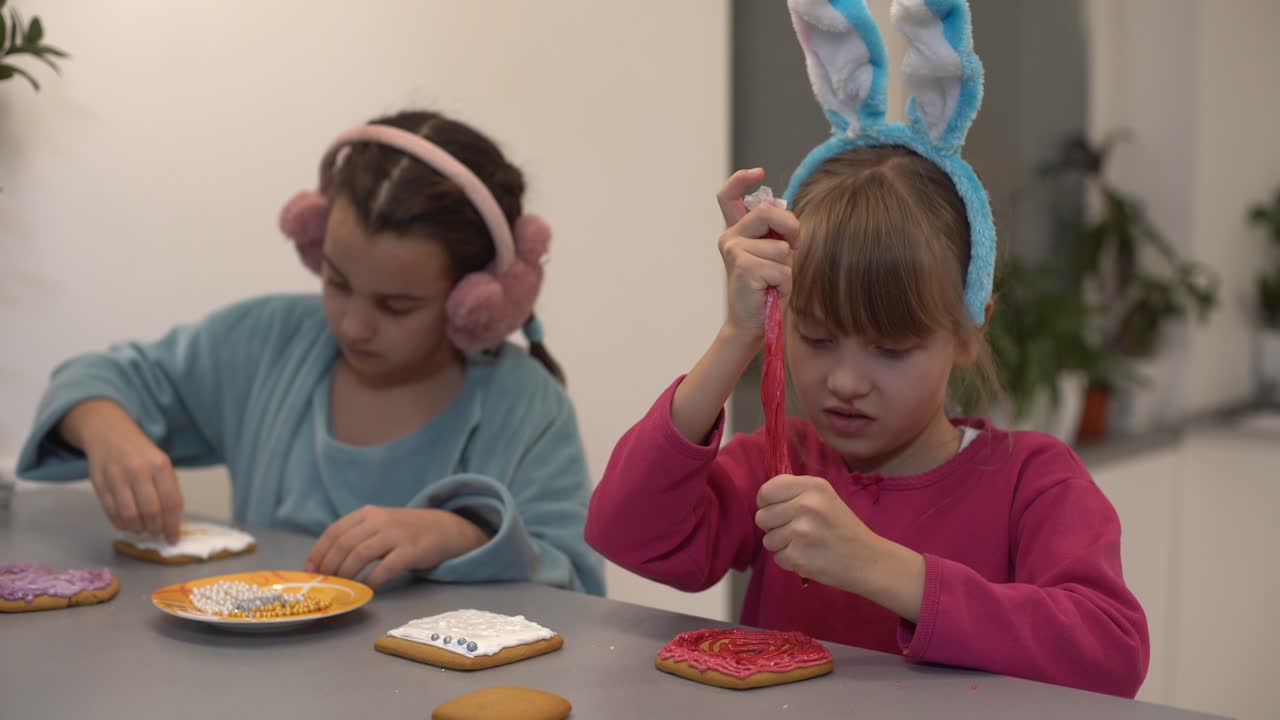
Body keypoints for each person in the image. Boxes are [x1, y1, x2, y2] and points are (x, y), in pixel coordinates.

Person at [586, 0, 1146, 696]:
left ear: (968, 334)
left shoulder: (1033, 481)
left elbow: (1112, 653)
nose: (845, 380)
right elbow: (626, 531)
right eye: (815, 338)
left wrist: (889, 571)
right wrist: (737, 337)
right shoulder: (777, 463)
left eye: (891, 349)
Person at [18, 109, 604, 595]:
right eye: (336, 280)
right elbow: (97, 376)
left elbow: (576, 583)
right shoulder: (267, 341)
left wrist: (463, 535)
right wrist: (107, 430)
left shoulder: (528, 407)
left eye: (396, 306)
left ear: (477, 302)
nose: (353, 324)